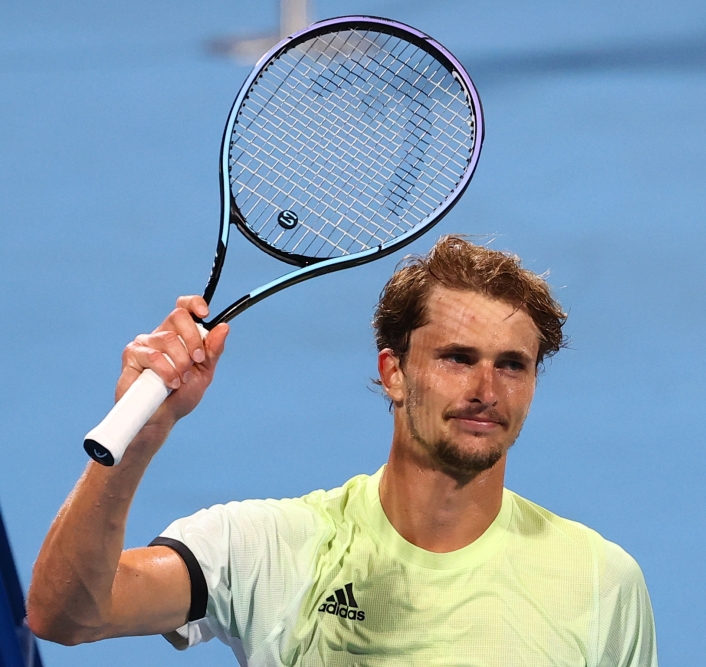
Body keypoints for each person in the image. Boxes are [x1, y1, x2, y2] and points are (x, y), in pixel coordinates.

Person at [27, 235, 657, 666]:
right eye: (457, 358)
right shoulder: (269, 551)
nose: (486, 391)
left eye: (512, 366)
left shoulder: (600, 582)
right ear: (395, 372)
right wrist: (141, 437)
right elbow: (67, 614)